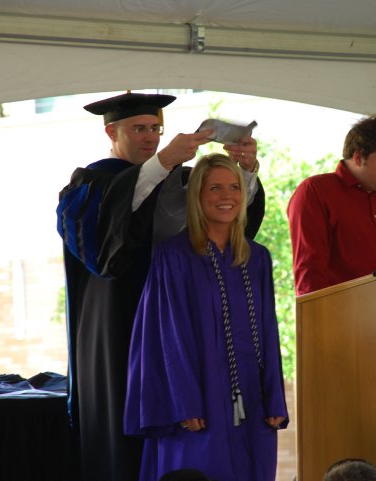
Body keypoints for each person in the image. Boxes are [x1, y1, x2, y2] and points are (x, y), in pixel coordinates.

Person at [56, 92, 265, 481]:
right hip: (121, 326)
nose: (150, 137)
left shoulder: (182, 181)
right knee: (126, 437)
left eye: (156, 129)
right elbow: (105, 253)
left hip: (182, 331)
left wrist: (245, 170)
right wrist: (165, 160)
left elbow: (227, 226)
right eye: (139, 129)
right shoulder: (88, 186)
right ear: (111, 132)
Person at [124, 153, 288, 481]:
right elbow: (168, 338)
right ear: (197, 197)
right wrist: (185, 403)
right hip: (200, 404)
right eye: (215, 188)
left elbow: (269, 331)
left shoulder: (257, 257)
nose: (227, 196)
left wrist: (274, 398)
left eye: (233, 187)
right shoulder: (174, 257)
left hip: (252, 401)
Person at [287, 114, 376, 295]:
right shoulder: (316, 193)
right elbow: (310, 272)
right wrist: (319, 319)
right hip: (340, 316)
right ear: (358, 157)